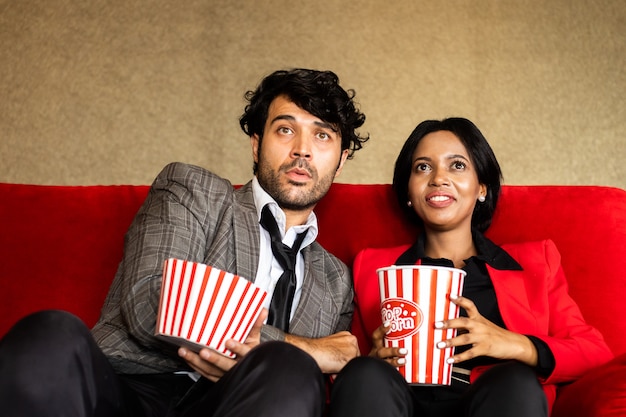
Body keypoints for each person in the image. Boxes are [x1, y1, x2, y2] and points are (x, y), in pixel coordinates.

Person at [0, 68, 369, 417]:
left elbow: (310, 392)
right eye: (285, 130)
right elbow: (151, 304)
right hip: (130, 390)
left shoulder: (336, 281)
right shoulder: (197, 192)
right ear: (256, 146)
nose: (302, 149)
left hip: (238, 404)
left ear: (340, 161)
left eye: (322, 135)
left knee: (288, 369)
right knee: (50, 333)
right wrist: (298, 346)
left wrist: (288, 356)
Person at [328, 117, 613, 417]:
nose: (438, 178)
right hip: (398, 402)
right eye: (423, 167)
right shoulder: (371, 266)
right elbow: (346, 366)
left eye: (457, 165)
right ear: (409, 193)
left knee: (515, 380)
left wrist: (514, 345)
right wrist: (372, 358)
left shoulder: (536, 262)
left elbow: (595, 352)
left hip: (493, 401)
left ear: (481, 188)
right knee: (364, 374)